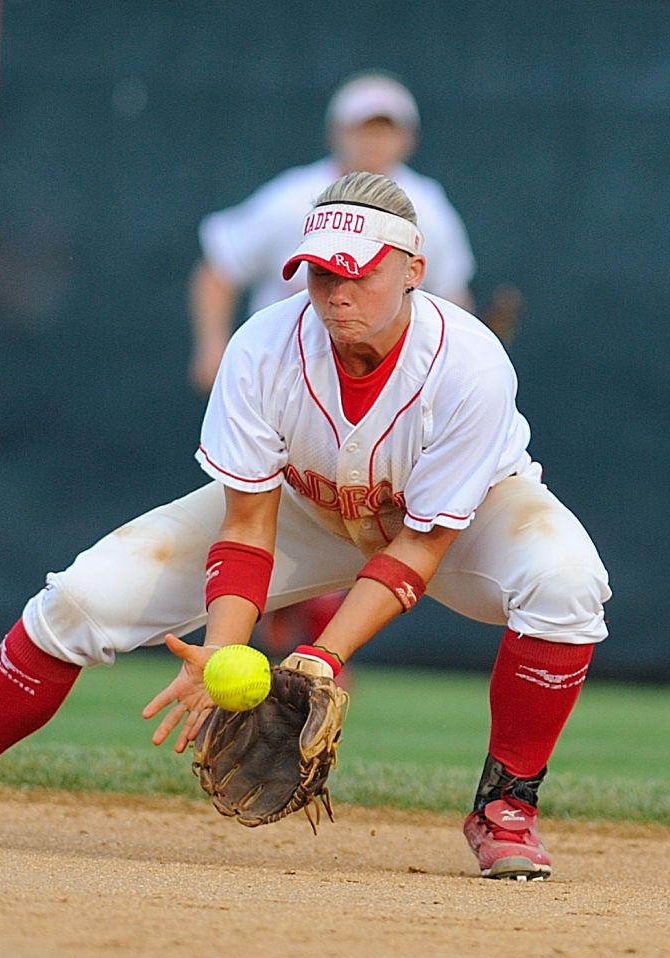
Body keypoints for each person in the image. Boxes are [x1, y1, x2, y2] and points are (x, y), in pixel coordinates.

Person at [0, 171, 609, 881]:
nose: (336, 292)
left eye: (359, 272)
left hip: (461, 520)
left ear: (413, 270)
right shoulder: (264, 347)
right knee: (81, 600)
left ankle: (506, 805)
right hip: (305, 512)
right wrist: (224, 649)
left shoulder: (468, 362)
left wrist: (321, 655)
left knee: (567, 582)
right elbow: (246, 527)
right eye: (320, 272)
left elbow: (423, 544)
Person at [189, 72, 487, 665]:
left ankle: (312, 657)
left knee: (367, 542)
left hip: (382, 403)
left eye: (388, 129)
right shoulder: (292, 197)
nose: (375, 142)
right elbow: (217, 268)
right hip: (287, 392)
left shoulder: (427, 208)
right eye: (363, 127)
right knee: (254, 523)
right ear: (337, 133)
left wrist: (466, 374)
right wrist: (212, 346)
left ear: (407, 138)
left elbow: (454, 298)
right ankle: (284, 629)